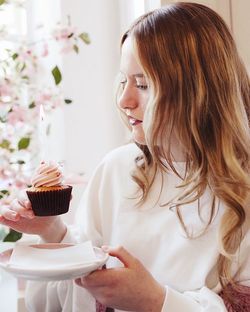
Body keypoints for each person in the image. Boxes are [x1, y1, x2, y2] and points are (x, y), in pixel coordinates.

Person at [0, 2, 249, 311]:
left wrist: (157, 302)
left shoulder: (243, 193)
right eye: (124, 81)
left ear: (197, 90)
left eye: (143, 85)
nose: (124, 100)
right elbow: (63, 297)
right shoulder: (117, 170)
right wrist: (52, 233)